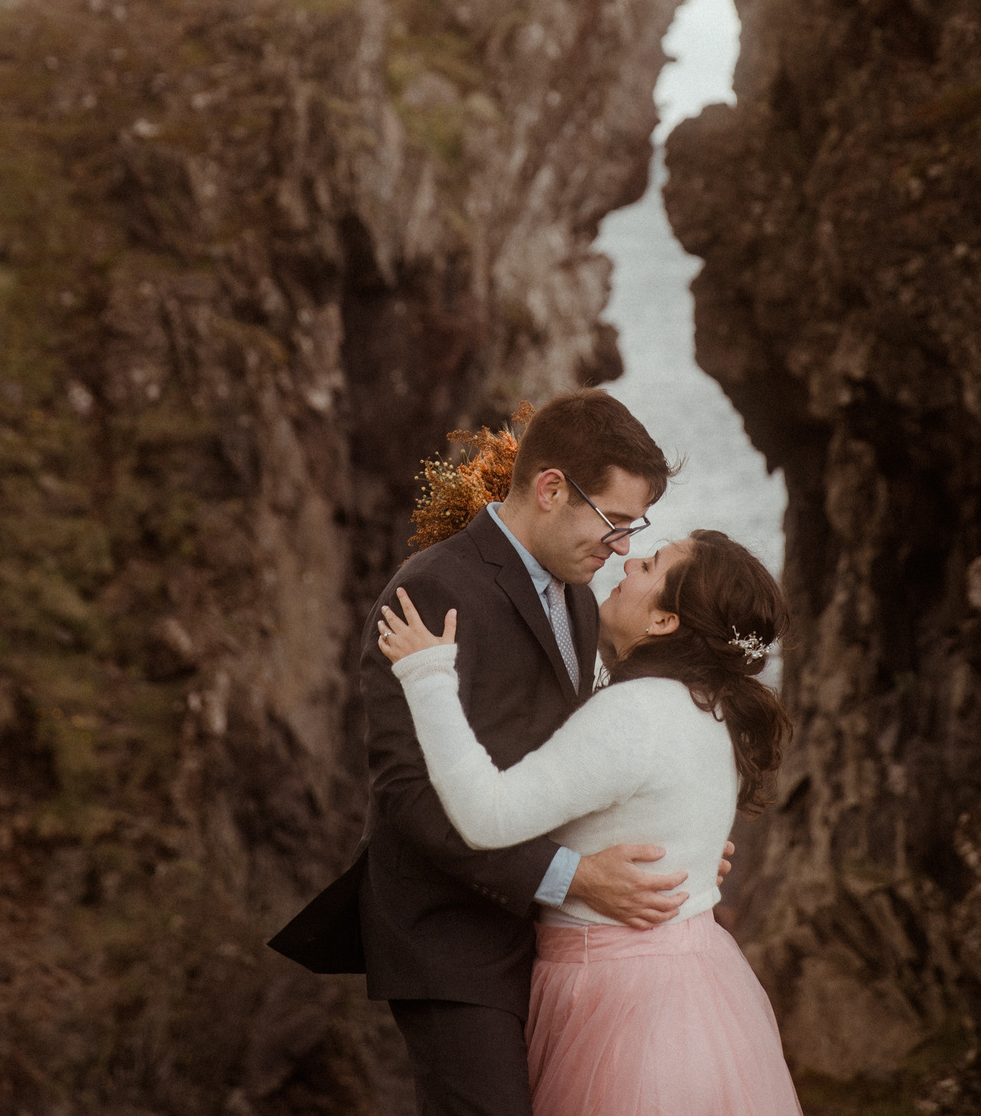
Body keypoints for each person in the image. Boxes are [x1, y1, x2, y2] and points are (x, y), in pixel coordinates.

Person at [270, 390, 705, 1116]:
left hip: (541, 932)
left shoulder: (576, 595)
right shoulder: (431, 588)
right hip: (448, 934)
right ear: (551, 489)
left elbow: (572, 762)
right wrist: (573, 878)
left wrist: (677, 841)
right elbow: (410, 794)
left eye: (635, 529)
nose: (623, 548)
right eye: (614, 522)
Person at [376, 527, 802, 1116]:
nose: (628, 564)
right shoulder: (713, 705)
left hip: (615, 997)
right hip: (692, 982)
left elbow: (487, 816)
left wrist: (428, 677)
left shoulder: (635, 713)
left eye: (650, 565)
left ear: (665, 621)